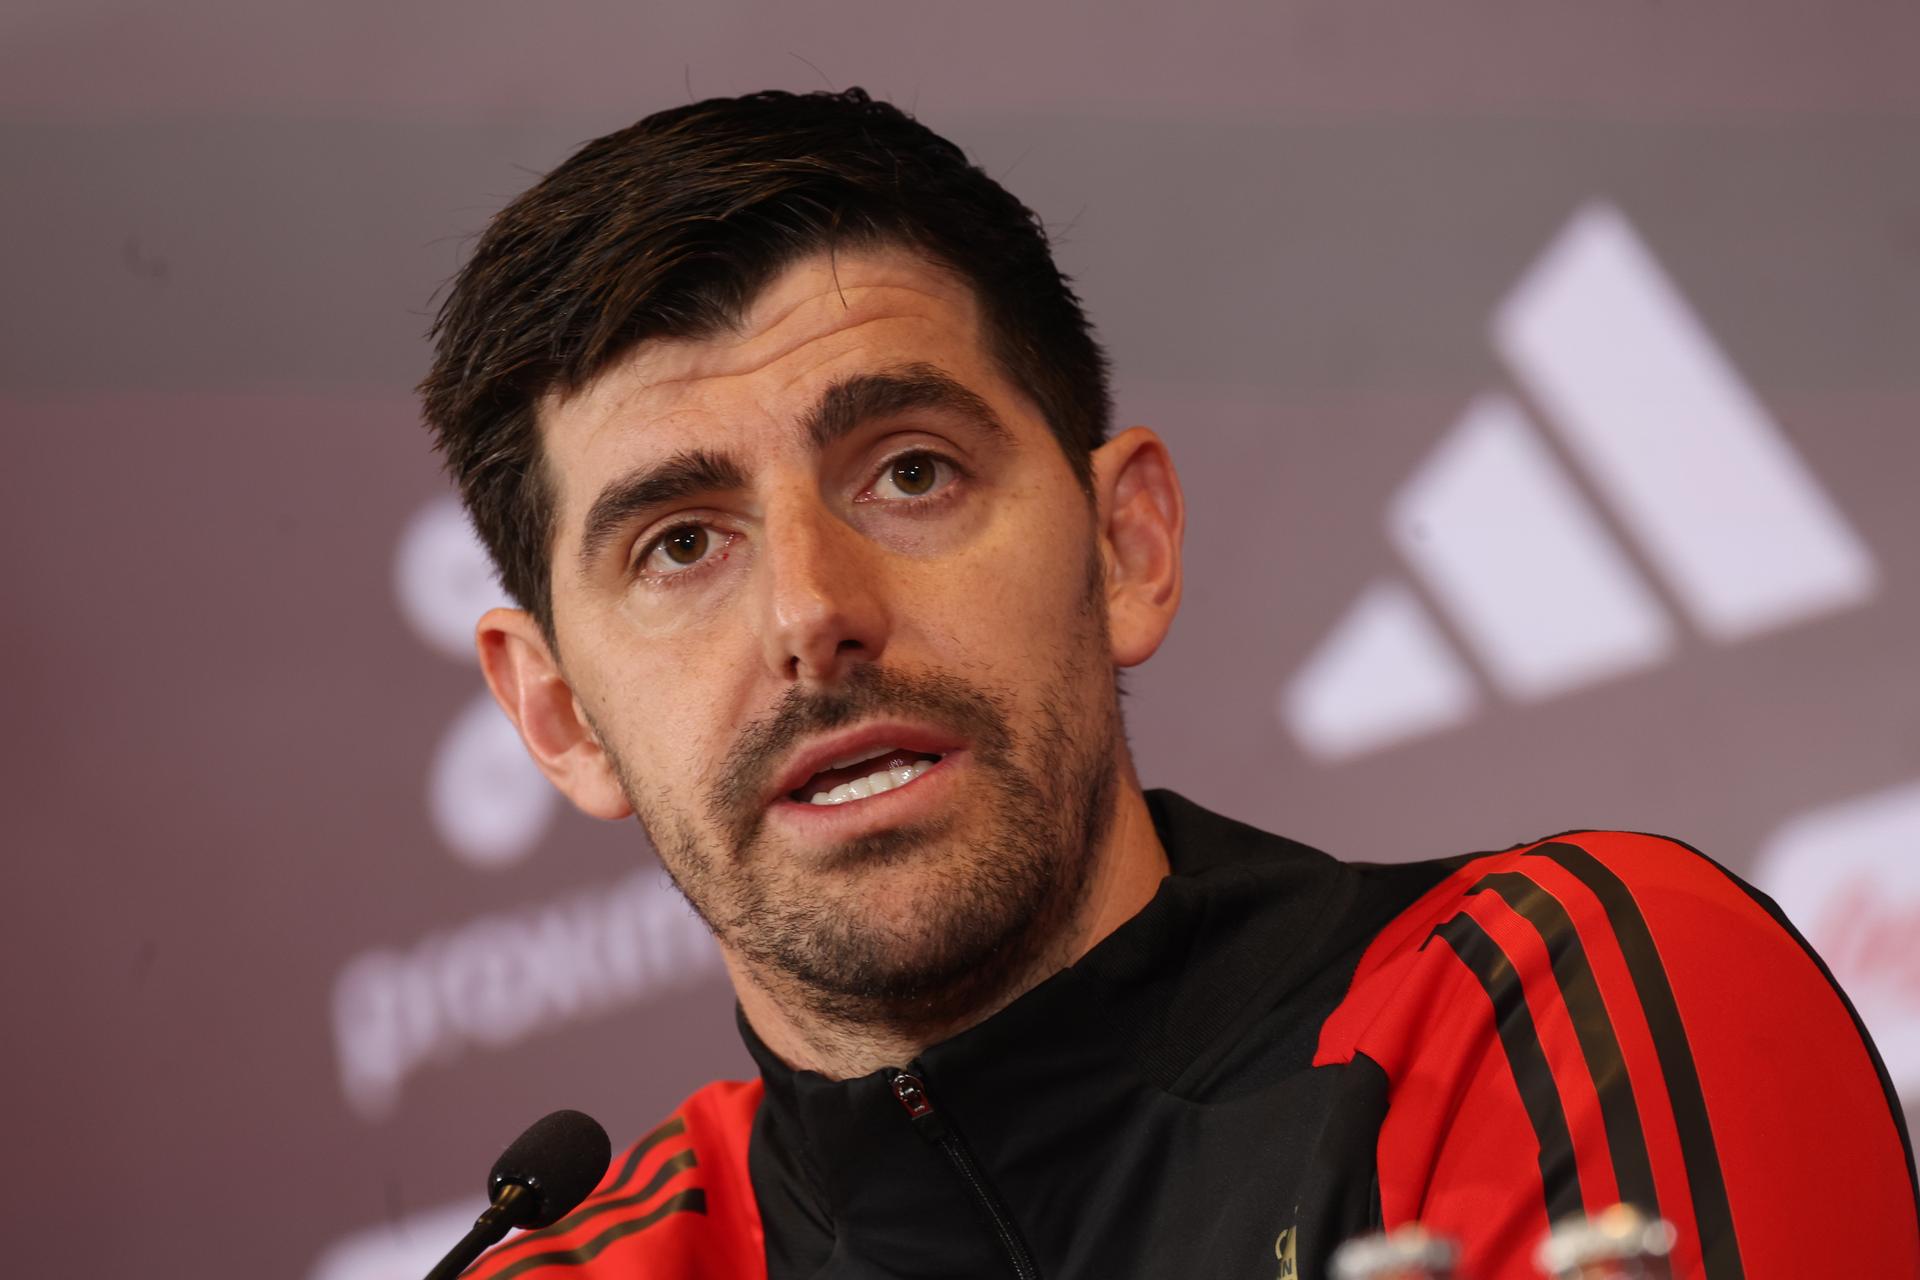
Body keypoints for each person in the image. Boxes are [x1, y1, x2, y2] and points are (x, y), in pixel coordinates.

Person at [419, 89, 1918, 1279]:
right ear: (555, 715)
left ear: (1127, 544)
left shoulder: (1540, 1000)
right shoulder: (580, 1268)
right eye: (682, 544)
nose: (814, 612)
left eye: (911, 472)